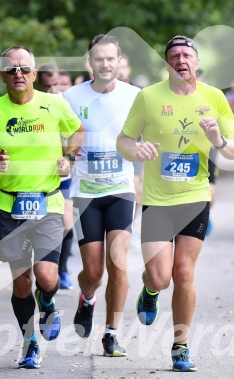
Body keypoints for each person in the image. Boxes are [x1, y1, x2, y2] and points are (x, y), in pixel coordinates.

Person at [117, 35, 234, 372]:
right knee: (160, 277)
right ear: (167, 63)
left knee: (184, 272)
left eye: (187, 54)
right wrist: (136, 150)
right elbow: (124, 141)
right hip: (158, 200)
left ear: (197, 63)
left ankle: (181, 346)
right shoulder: (148, 97)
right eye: (174, 55)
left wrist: (218, 139)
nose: (181, 60)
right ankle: (149, 290)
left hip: (194, 198)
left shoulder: (214, 98)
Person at [0, 46, 85, 369]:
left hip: (48, 203)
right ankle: (29, 342)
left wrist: (70, 158)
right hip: (10, 208)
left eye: (24, 69)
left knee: (46, 277)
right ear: (3, 75)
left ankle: (47, 302)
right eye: (11, 70)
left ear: (34, 74)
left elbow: (78, 130)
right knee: (21, 283)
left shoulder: (54, 104)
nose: (18, 74)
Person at [63, 34, 140, 357]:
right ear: (89, 62)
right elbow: (60, 139)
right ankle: (87, 298)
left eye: (111, 59)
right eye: (99, 59)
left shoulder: (136, 96)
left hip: (121, 190)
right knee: (93, 272)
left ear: (119, 61)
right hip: (85, 194)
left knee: (118, 264)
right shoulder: (69, 97)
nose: (106, 64)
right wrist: (65, 153)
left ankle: (111, 333)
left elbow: (148, 137)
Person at [36, 63, 75, 290]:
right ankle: (42, 270)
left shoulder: (67, 106)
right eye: (49, 85)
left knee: (66, 223)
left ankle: (60, 269)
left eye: (59, 85)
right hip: (35, 177)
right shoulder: (34, 106)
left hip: (63, 174)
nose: (54, 89)